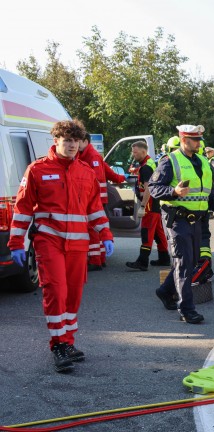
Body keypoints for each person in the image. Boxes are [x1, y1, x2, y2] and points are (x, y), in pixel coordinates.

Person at [8, 119, 115, 373]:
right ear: (56, 141)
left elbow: (94, 210)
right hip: (49, 241)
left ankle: (68, 342)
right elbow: (22, 209)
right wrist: (16, 242)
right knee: (56, 291)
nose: (72, 146)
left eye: (76, 141)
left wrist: (106, 234)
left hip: (79, 243)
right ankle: (58, 345)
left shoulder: (86, 172)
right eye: (67, 141)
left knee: (73, 294)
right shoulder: (37, 170)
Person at [149, 125, 214, 324]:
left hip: (197, 221)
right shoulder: (170, 161)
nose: (199, 143)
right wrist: (173, 192)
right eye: (195, 139)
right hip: (178, 220)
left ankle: (165, 291)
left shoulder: (203, 161)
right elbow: (154, 188)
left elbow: (209, 190)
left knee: (190, 262)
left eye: (200, 139)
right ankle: (186, 309)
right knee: (184, 263)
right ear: (184, 140)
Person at [77, 133, 125, 271]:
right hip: (97, 199)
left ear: (85, 141)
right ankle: (100, 258)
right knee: (97, 230)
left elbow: (95, 180)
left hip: (95, 200)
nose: (74, 145)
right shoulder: (89, 155)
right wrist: (121, 178)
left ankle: (95, 260)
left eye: (77, 141)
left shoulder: (92, 156)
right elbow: (109, 173)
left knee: (92, 229)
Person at [125, 140, 170, 270]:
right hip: (155, 204)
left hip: (149, 206)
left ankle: (142, 261)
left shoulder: (146, 168)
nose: (133, 155)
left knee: (147, 232)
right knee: (158, 233)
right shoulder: (149, 164)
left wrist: (143, 206)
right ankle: (164, 258)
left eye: (135, 152)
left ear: (143, 152)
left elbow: (148, 188)